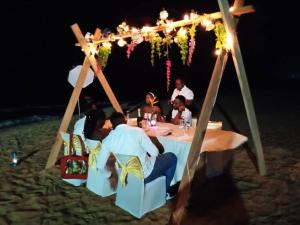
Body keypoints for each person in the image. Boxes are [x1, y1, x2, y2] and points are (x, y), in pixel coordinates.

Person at [96, 112, 177, 198]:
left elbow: (100, 166)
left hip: (125, 176)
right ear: (125, 120)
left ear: (112, 125)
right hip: (144, 175)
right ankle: (164, 192)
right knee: (171, 157)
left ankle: (157, 186)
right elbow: (155, 152)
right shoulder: (137, 131)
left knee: (157, 159)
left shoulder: (108, 140)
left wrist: (110, 176)